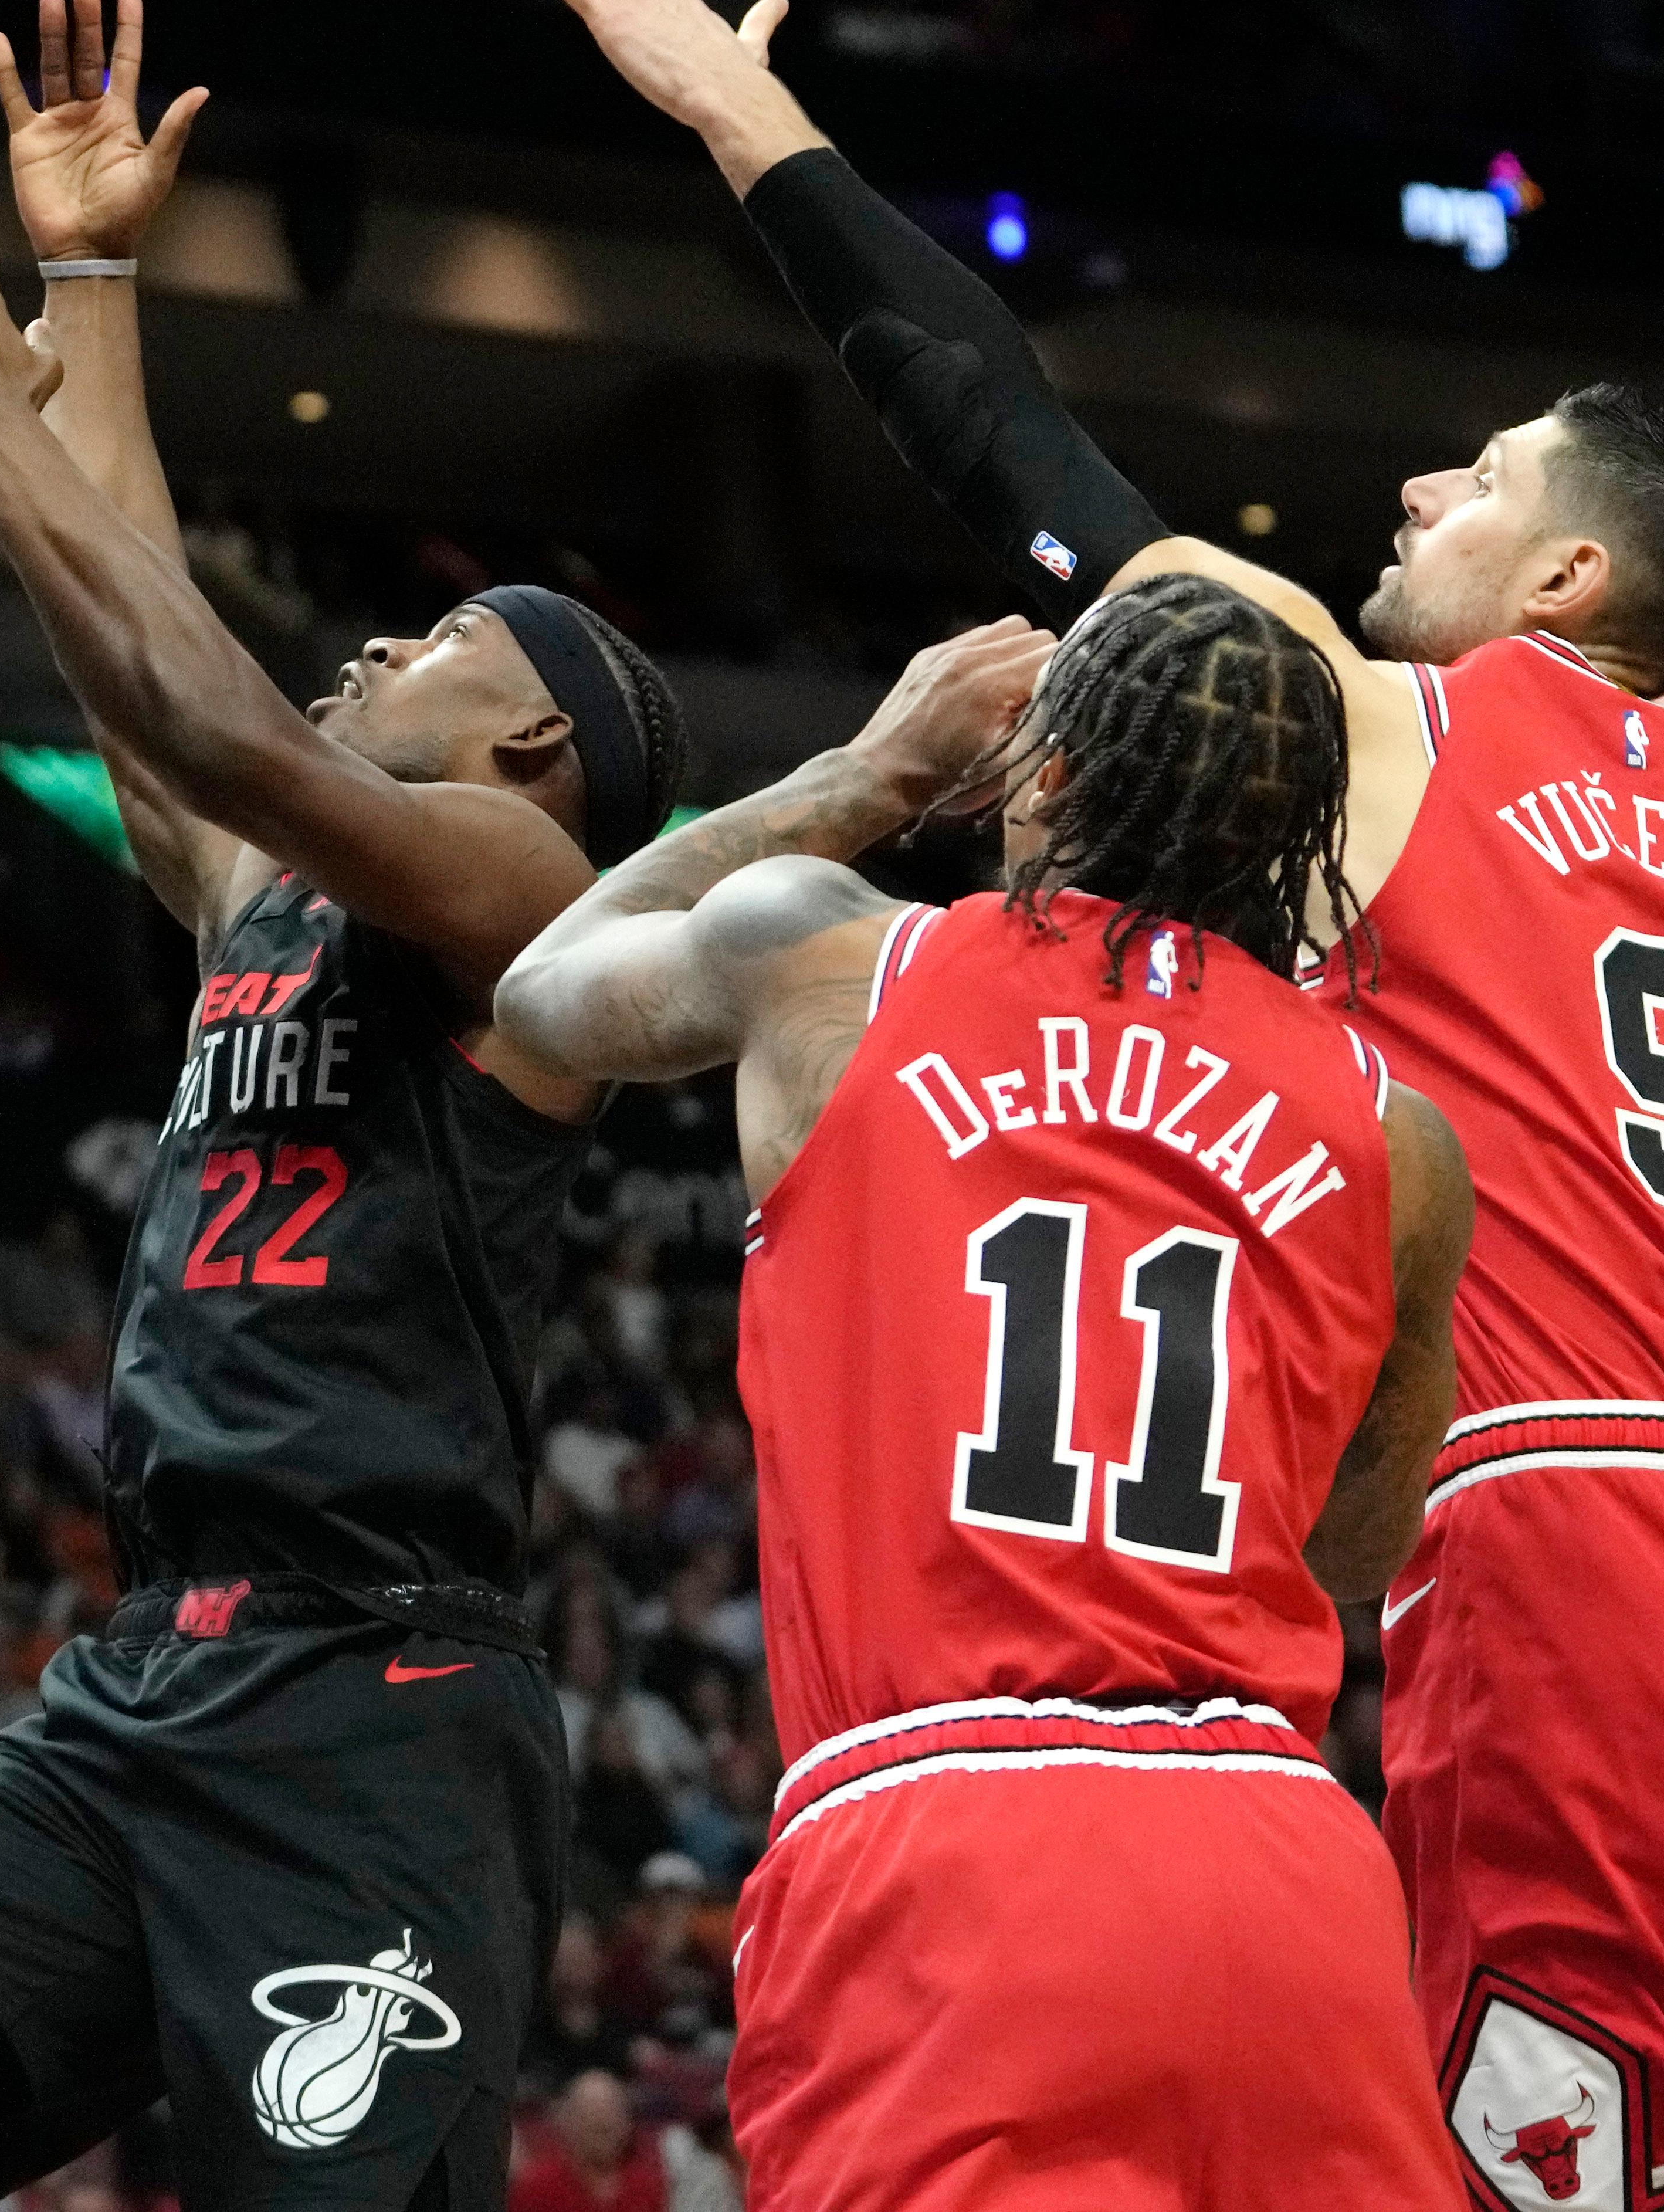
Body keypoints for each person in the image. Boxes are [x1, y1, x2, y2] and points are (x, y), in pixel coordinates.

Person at [520, 0, 1664, 2212]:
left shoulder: (1376, 732)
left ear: (1567, 577)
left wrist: (737, 110)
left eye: (1464, 482)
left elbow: (1001, 433)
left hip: (1581, 1538)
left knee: (1545, 2174)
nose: (1409, 493)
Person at [0, 0, 686, 2212]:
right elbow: (162, 668)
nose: (381, 645)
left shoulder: (519, 886)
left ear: (533, 743)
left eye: (447, 636)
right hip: (149, 1682)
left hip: (381, 1714)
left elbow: (231, 726)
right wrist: (94, 280)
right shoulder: (269, 881)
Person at [500, 587, 1472, 2204]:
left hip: (949, 1839)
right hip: (1278, 1858)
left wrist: (870, 770)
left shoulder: (828, 958)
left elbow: (542, 989)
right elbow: (1359, 1550)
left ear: (1046, 776)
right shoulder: (1397, 1132)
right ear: (1300, 832)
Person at [511, 2071, 665, 2212]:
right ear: (568, 2125)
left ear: (628, 2124)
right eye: (594, 2128)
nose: (602, 2141)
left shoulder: (650, 2185)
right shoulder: (537, 2187)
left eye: (608, 2129)